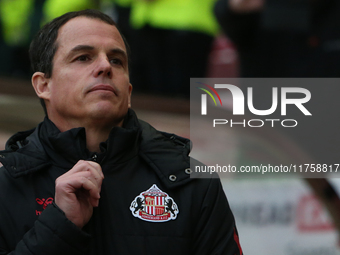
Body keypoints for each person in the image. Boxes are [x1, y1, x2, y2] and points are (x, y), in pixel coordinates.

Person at [0, 10, 242, 255]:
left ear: (128, 91)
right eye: (83, 57)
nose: (105, 66)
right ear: (43, 85)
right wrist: (59, 225)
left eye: (116, 60)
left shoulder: (193, 183)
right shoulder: (6, 186)